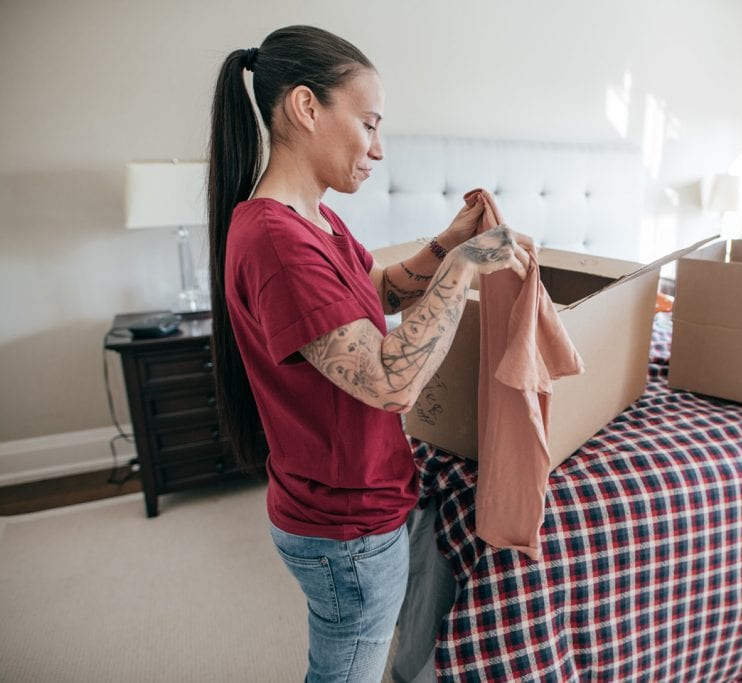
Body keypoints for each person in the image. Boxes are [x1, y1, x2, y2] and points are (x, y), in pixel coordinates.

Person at [206, 25, 532, 682]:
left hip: (349, 507)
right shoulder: (276, 239)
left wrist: (445, 243)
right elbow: (391, 383)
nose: (379, 149)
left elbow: (374, 292)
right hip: (344, 529)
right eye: (369, 124)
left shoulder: (314, 219)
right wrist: (467, 266)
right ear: (305, 107)